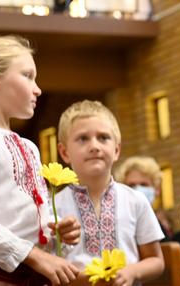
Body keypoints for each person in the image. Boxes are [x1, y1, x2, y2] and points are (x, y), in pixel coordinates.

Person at [0, 35, 80, 285]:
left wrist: (55, 232)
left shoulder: (29, 147)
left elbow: (18, 215)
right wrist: (32, 255)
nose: (38, 88)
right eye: (28, 76)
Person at [55, 100, 165, 286]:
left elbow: (156, 260)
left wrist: (132, 272)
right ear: (64, 152)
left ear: (116, 150)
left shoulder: (135, 200)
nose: (94, 146)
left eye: (103, 137)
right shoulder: (53, 205)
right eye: (83, 138)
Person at [114, 155, 173, 242]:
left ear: (157, 189)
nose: (137, 190)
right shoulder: (116, 225)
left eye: (143, 184)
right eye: (131, 185)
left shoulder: (160, 228)